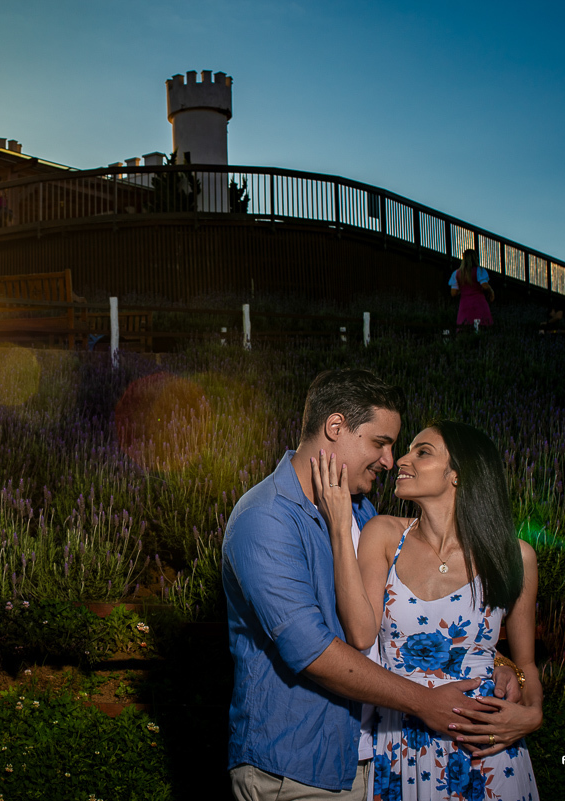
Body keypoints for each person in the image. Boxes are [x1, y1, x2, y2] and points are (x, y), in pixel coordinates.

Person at [223, 370, 533, 800]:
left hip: (378, 759)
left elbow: (402, 621)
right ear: (335, 427)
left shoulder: (366, 514)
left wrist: (494, 662)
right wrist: (425, 702)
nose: (389, 461)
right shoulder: (266, 518)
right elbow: (312, 652)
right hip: (298, 769)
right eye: (380, 443)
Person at [310, 420, 541, 800]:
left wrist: (532, 714)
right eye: (408, 449)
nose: (401, 459)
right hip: (403, 742)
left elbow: (525, 664)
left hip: (485, 745)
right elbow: (361, 634)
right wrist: (339, 527)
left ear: (458, 474)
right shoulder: (384, 535)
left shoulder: (515, 556)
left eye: (423, 452)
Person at [449, 249, 494, 329]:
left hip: (464, 306)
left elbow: (453, 293)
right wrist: (491, 291)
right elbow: (484, 285)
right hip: (479, 304)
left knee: (465, 328)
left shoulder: (456, 273)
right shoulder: (479, 271)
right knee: (482, 328)